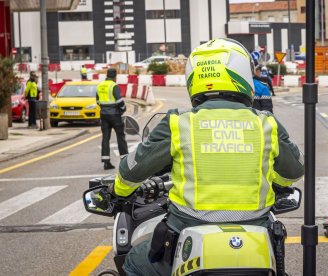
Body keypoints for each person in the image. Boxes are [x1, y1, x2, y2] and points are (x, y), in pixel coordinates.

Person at [100, 38, 304, 275]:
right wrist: (277, 184)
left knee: (134, 260)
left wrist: (118, 191)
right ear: (242, 76)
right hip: (256, 231)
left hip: (187, 229)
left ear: (194, 79)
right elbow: (295, 169)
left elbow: (131, 171)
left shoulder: (178, 123)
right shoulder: (266, 123)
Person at [96, 68, 128, 170]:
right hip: (114, 115)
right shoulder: (114, 86)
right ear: (115, 76)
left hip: (104, 115)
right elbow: (119, 101)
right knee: (120, 136)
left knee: (105, 138)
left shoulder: (100, 86)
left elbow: (97, 101)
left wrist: (104, 108)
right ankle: (124, 160)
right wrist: (123, 109)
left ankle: (106, 161)